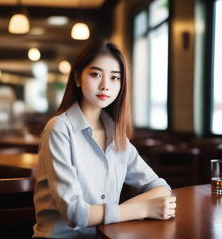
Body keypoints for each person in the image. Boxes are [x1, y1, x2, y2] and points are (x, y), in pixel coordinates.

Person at [32, 39, 176, 239]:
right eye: (95, 74)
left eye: (115, 77)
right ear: (77, 78)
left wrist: (119, 212)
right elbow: (76, 214)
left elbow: (160, 187)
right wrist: (142, 209)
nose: (105, 85)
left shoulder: (116, 134)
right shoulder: (59, 129)